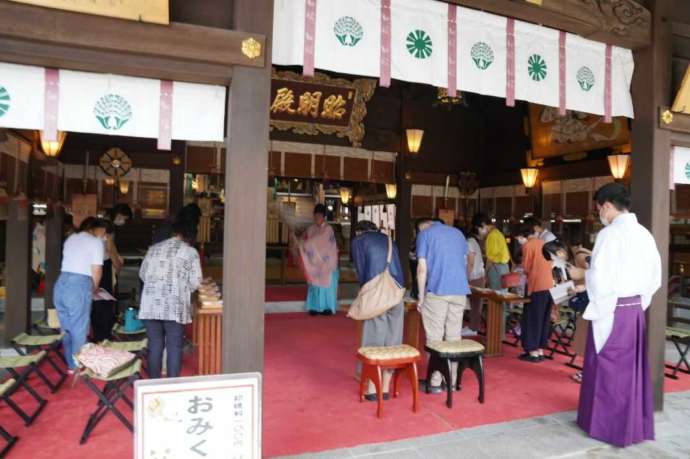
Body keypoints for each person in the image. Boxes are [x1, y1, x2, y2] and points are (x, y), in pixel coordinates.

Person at [568, 183, 661, 447]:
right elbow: (655, 277)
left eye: (599, 208)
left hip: (612, 308)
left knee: (607, 368)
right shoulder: (644, 234)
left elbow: (601, 276)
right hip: (633, 311)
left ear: (607, 206)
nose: (599, 213)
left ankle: (607, 425)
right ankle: (632, 424)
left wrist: (582, 278)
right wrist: (638, 302)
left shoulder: (609, 235)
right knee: (629, 370)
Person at [139, 221, 203, 378]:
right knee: (174, 345)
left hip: (151, 305)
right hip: (174, 306)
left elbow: (142, 274)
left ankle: (153, 382)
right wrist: (183, 287)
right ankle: (172, 384)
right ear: (183, 235)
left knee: (155, 345)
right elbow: (196, 281)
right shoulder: (190, 252)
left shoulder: (153, 250)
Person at [351, 220, 405, 401]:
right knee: (393, 341)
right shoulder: (389, 240)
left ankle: (373, 390)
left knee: (374, 340)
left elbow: (361, 272)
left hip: (377, 297)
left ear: (360, 231)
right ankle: (386, 388)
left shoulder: (359, 241)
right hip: (396, 294)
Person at [416, 218, 471, 392]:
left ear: (424, 225)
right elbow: (465, 261)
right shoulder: (458, 233)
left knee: (435, 337)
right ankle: (452, 382)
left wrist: (421, 296)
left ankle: (435, 381)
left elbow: (421, 268)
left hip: (438, 290)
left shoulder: (425, 234)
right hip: (460, 290)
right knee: (454, 336)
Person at [53, 217, 107, 371]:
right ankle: (78, 366)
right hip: (79, 284)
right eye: (103, 231)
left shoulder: (71, 238)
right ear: (94, 228)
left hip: (61, 282)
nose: (104, 236)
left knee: (67, 327)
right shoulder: (95, 242)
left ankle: (71, 364)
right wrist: (94, 288)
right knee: (79, 328)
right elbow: (97, 270)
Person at [515, 224, 554, 363]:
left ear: (522, 235)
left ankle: (532, 352)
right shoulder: (544, 243)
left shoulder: (527, 246)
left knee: (532, 319)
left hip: (536, 285)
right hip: (549, 285)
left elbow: (526, 268)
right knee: (543, 319)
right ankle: (540, 350)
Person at [299, 204, 339, 316]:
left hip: (327, 263)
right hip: (315, 263)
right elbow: (304, 238)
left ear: (324, 216)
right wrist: (300, 241)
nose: (317, 218)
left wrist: (307, 244)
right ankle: (313, 307)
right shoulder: (311, 229)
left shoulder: (328, 229)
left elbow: (320, 241)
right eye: (315, 216)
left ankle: (327, 307)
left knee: (326, 287)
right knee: (315, 285)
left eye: (319, 216)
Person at [90, 219, 117, 342]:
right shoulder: (94, 239)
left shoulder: (97, 237)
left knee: (102, 304)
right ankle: (102, 336)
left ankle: (102, 335)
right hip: (98, 268)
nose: (106, 237)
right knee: (101, 304)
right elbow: (111, 250)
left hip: (101, 267)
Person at [473, 213, 510, 291]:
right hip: (504, 268)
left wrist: (485, 274)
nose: (479, 231)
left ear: (483, 224)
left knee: (495, 297)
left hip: (496, 269)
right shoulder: (498, 233)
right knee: (502, 296)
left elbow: (490, 260)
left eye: (478, 228)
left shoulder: (491, 236)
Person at [463, 227, 485, 334]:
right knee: (474, 303)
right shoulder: (472, 241)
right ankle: (473, 327)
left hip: (474, 276)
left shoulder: (469, 243)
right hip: (477, 275)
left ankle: (473, 328)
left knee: (475, 303)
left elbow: (470, 262)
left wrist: (467, 277)